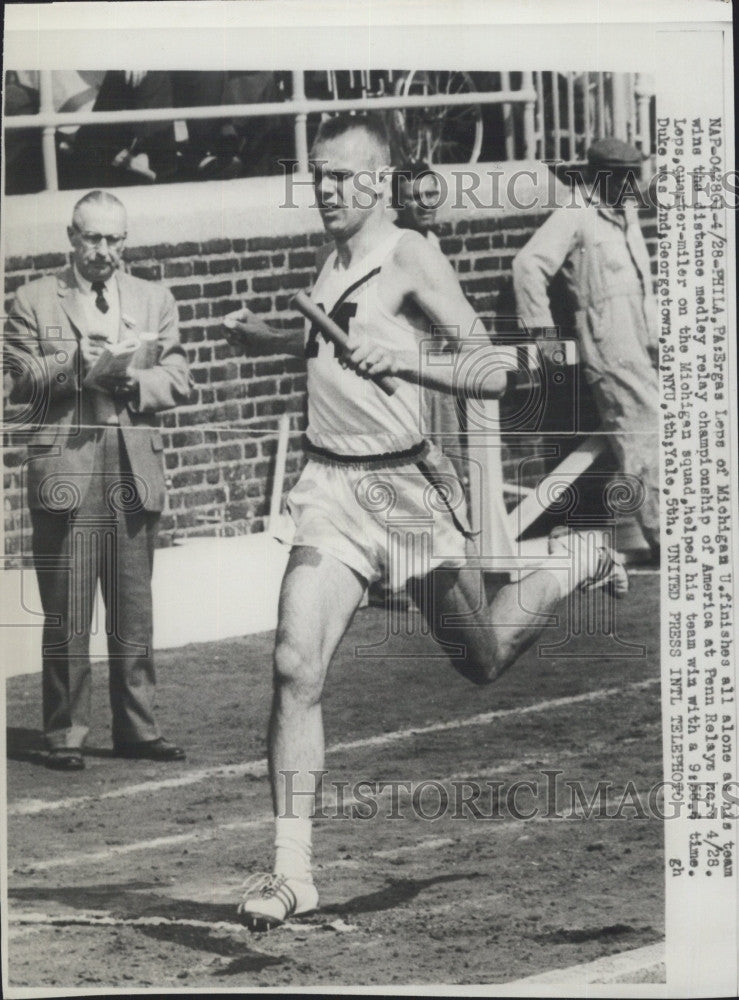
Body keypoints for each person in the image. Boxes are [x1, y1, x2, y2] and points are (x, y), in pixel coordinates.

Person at [223, 113, 628, 930]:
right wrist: (270, 336)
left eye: (338, 176)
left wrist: (407, 361)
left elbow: (494, 368)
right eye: (317, 175)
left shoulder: (410, 252)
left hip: (402, 491)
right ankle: (291, 872)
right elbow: (332, 350)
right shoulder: (332, 254)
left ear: (377, 181)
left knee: (480, 659)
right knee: (294, 664)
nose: (324, 189)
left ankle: (573, 557)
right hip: (330, 489)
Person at [4, 190, 192, 770]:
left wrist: (138, 383)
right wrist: (75, 365)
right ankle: (64, 733)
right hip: (67, 466)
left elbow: (180, 376)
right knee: (67, 611)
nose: (104, 250)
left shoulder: (153, 297)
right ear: (71, 237)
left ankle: (138, 728)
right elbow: (19, 385)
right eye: (93, 238)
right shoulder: (32, 300)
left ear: (125, 243)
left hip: (133, 463)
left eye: (114, 240)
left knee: (134, 609)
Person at [512, 137, 660, 559]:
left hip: (639, 347)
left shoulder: (624, 212)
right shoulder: (576, 214)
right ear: (602, 175)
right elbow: (527, 266)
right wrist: (544, 338)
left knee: (654, 440)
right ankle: (670, 540)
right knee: (643, 446)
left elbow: (639, 282)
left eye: (634, 175)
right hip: (608, 352)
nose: (633, 184)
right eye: (625, 176)